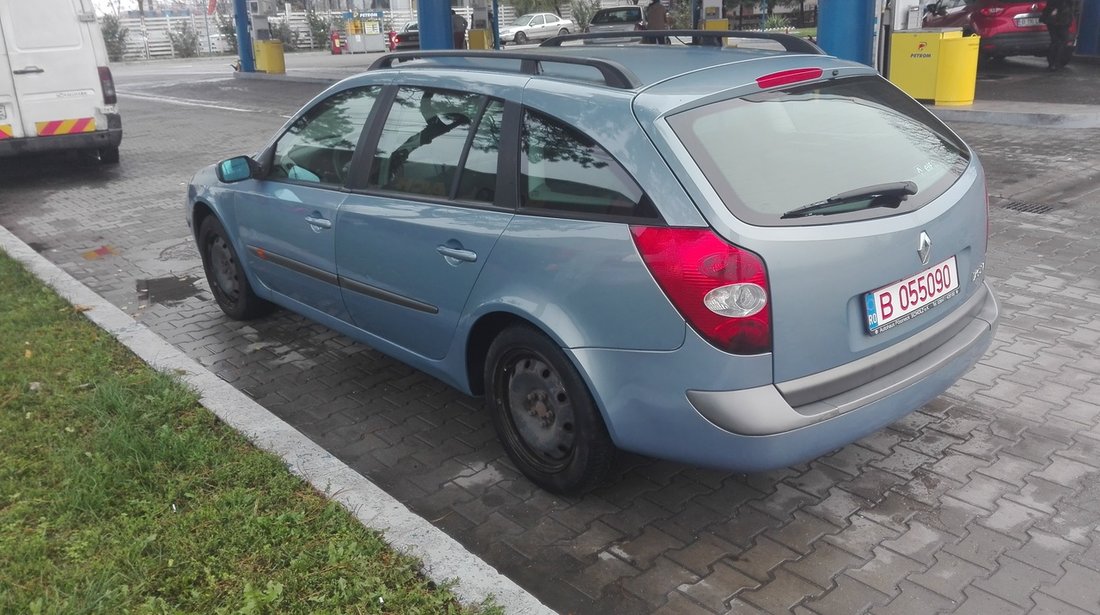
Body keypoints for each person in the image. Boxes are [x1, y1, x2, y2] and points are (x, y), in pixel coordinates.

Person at [1041, 0, 1075, 71]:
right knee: (1063, 41)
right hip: (1061, 18)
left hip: (1051, 17)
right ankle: (1056, 63)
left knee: (1055, 41)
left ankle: (1052, 63)